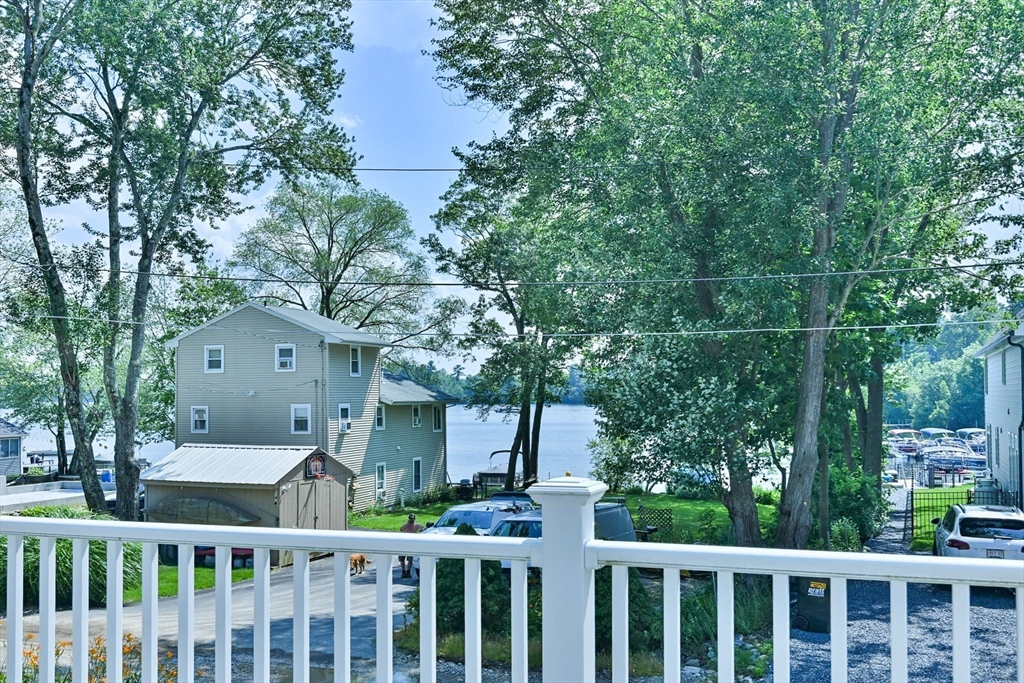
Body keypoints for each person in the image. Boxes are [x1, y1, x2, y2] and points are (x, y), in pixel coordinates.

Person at [398, 513, 425, 578]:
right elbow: (401, 529)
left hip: (411, 544)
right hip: (403, 543)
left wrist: (422, 529)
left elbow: (423, 528)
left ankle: (408, 571)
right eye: (410, 518)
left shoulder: (416, 525)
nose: (411, 519)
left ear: (414, 519)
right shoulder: (405, 525)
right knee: (402, 559)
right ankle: (403, 571)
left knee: (410, 559)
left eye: (412, 518)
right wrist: (407, 525)